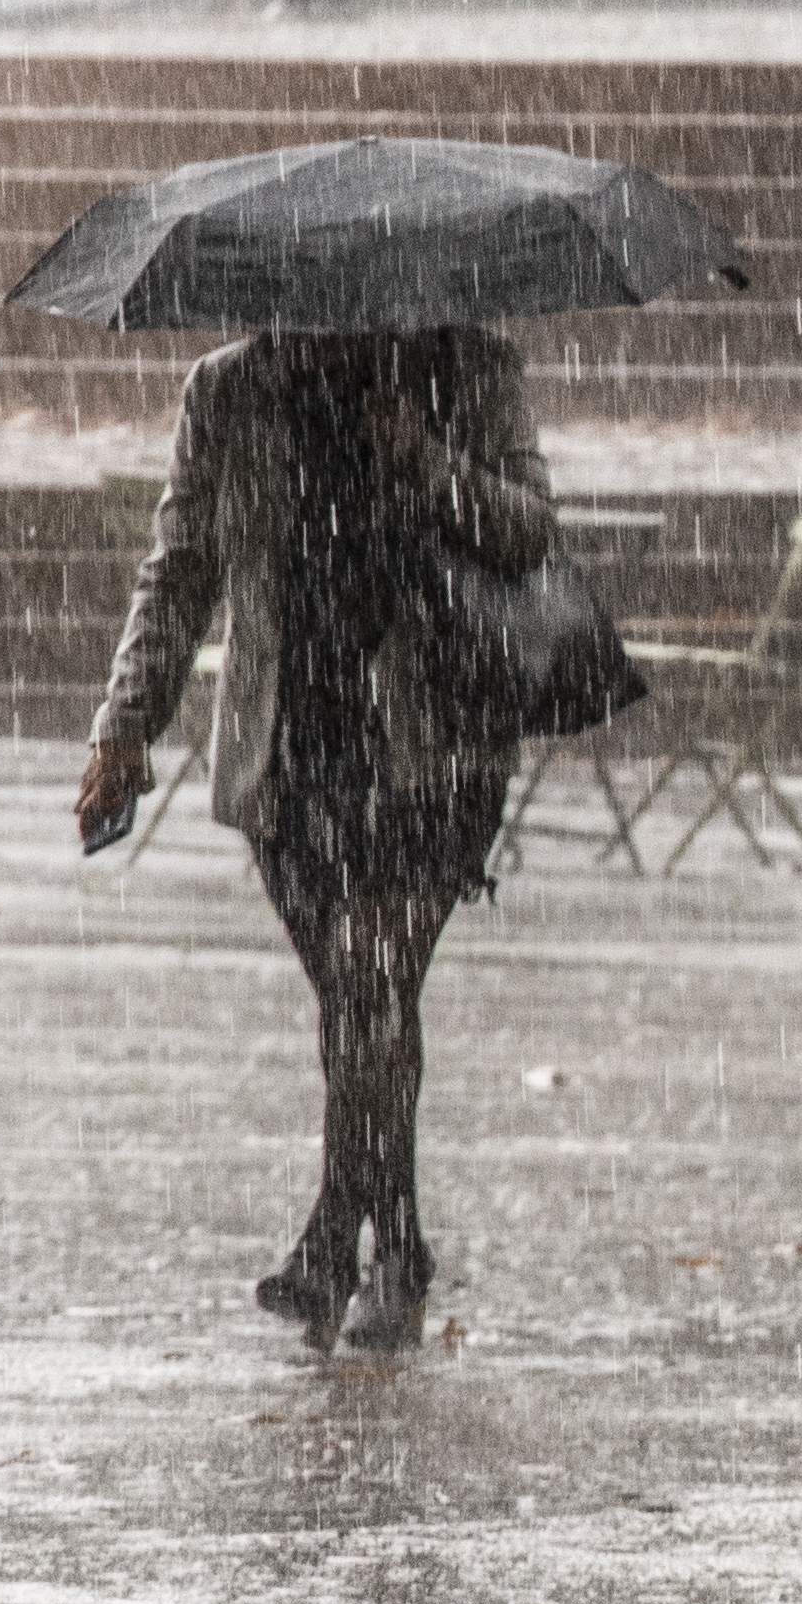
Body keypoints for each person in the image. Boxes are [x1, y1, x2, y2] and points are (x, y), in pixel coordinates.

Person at [75, 326, 564, 1357]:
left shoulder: (465, 366)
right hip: (289, 746)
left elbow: (526, 532)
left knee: (370, 979)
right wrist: (126, 722)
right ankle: (387, 1238)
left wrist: (424, 459)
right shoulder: (229, 387)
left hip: (432, 740)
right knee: (358, 1006)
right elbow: (182, 567)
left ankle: (346, 1246)